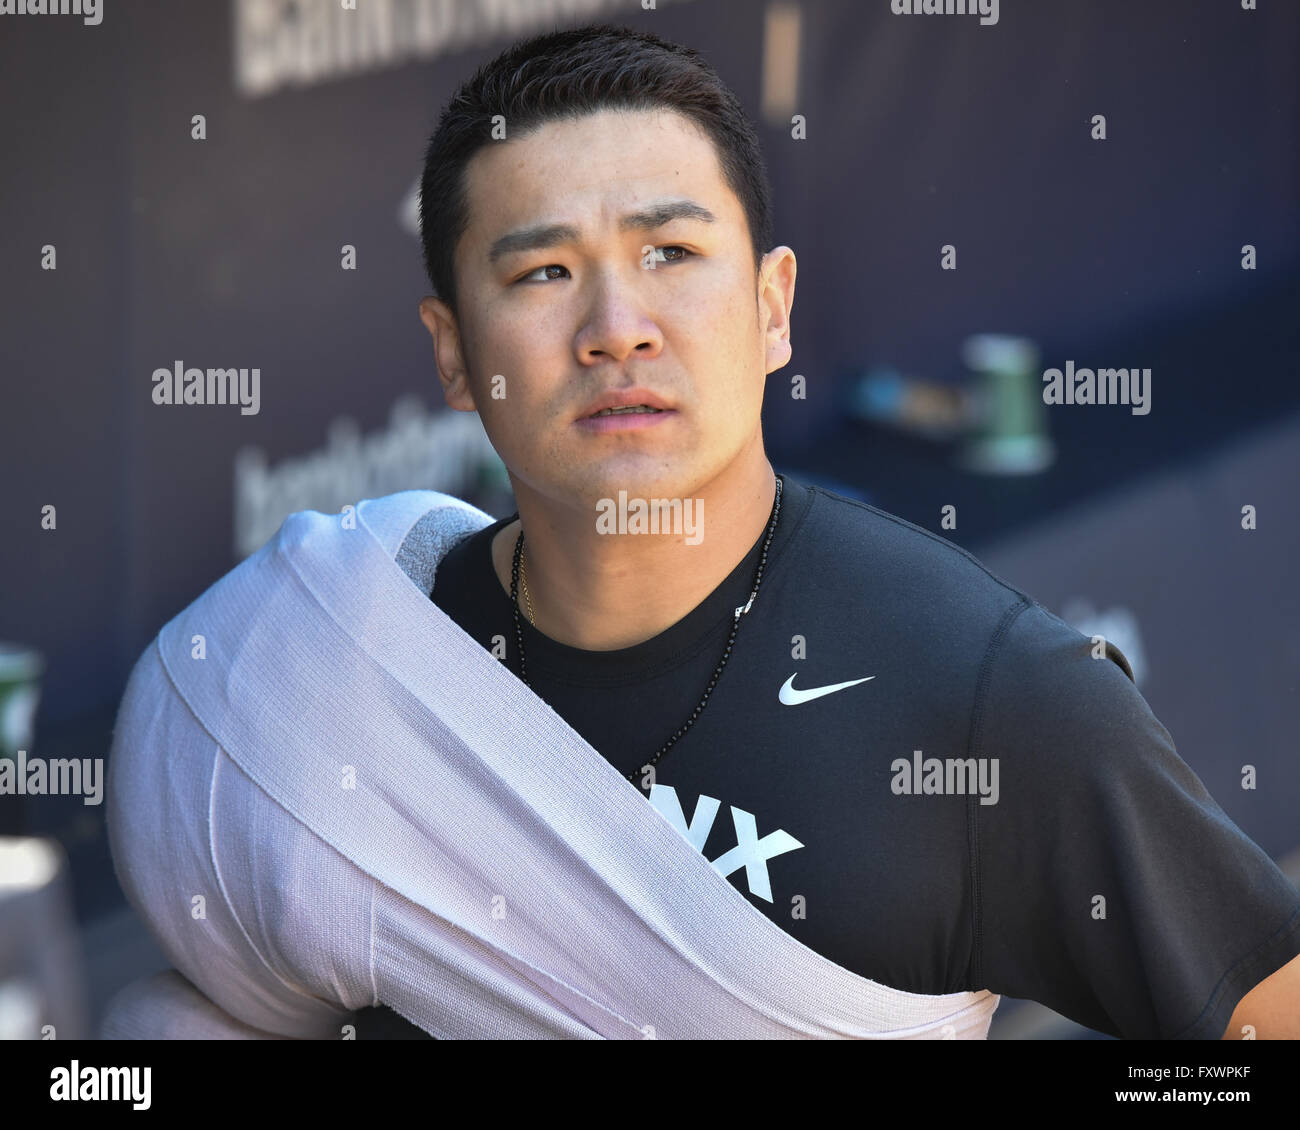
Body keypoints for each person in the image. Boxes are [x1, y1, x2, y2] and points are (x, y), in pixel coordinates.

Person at [105, 23, 1300, 1041]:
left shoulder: (994, 699)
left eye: (670, 253)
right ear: (454, 355)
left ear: (772, 308)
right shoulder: (322, 664)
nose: (617, 326)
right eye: (542, 273)